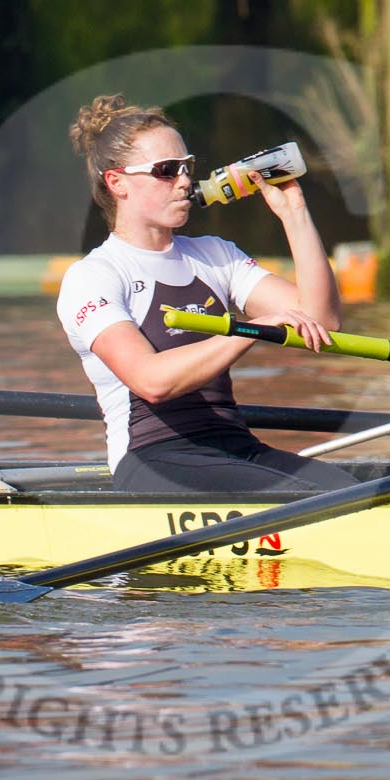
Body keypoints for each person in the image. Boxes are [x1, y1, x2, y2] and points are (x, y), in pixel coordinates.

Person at [57, 94, 347, 494]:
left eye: (187, 167)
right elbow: (152, 381)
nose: (184, 181)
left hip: (236, 447)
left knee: (344, 485)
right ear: (117, 182)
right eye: (166, 170)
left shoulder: (214, 255)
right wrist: (251, 329)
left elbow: (323, 319)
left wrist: (293, 212)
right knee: (312, 496)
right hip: (153, 457)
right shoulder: (94, 276)